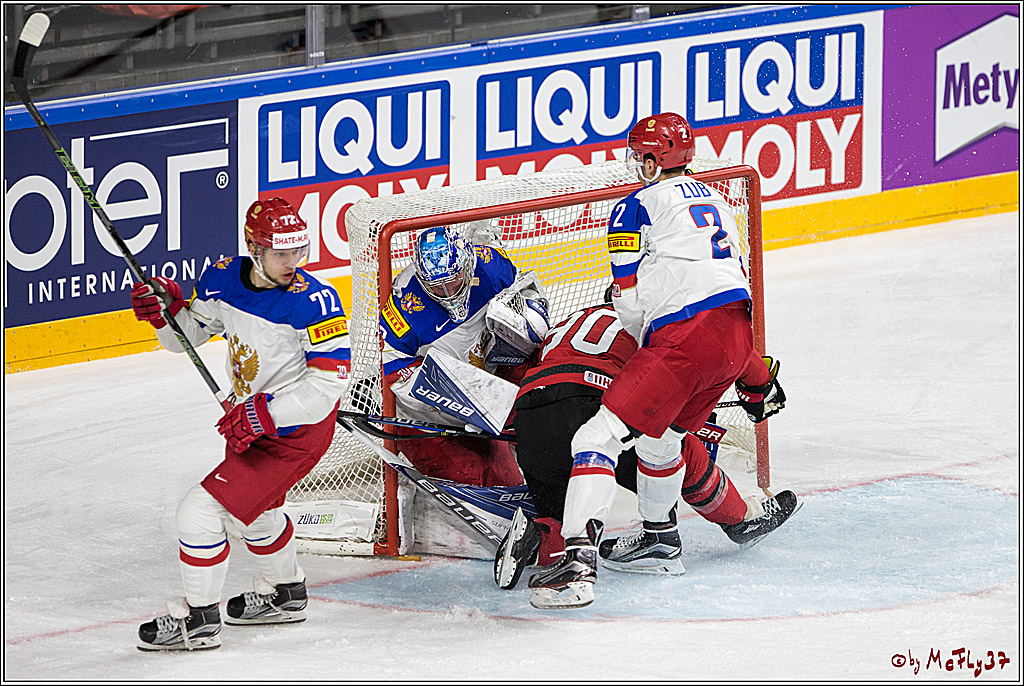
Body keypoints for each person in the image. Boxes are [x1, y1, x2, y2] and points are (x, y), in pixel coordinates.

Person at [524, 113, 791, 609]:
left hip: (685, 338)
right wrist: (755, 382)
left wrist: (649, 337)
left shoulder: (634, 208)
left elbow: (625, 296)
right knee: (662, 439)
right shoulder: (719, 199)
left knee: (595, 437)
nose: (634, 163)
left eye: (638, 154)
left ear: (652, 158)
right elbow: (719, 281)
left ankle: (576, 566)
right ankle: (660, 539)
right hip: (737, 336)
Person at [130, 197, 351, 650]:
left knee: (199, 513)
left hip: (294, 433)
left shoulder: (317, 301)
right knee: (258, 516)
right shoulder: (222, 278)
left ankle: (199, 620)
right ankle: (287, 595)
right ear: (255, 248)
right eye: (281, 253)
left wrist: (262, 412)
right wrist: (165, 315)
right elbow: (186, 338)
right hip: (252, 424)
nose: (293, 263)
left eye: (299, 252)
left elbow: (326, 389)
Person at [495, 296, 793, 595]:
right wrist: (761, 384)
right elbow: (729, 351)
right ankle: (741, 519)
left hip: (531, 412)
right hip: (595, 401)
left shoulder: (566, 322)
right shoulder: (653, 321)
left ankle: (536, 537)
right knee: (677, 450)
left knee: (563, 516)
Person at [377, 224, 550, 486]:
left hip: (484, 390)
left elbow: (526, 296)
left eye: (453, 279)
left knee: (512, 482)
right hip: (428, 419)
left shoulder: (492, 266)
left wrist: (527, 317)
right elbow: (393, 368)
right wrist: (455, 402)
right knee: (474, 481)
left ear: (468, 263)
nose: (449, 292)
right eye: (438, 286)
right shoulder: (404, 306)